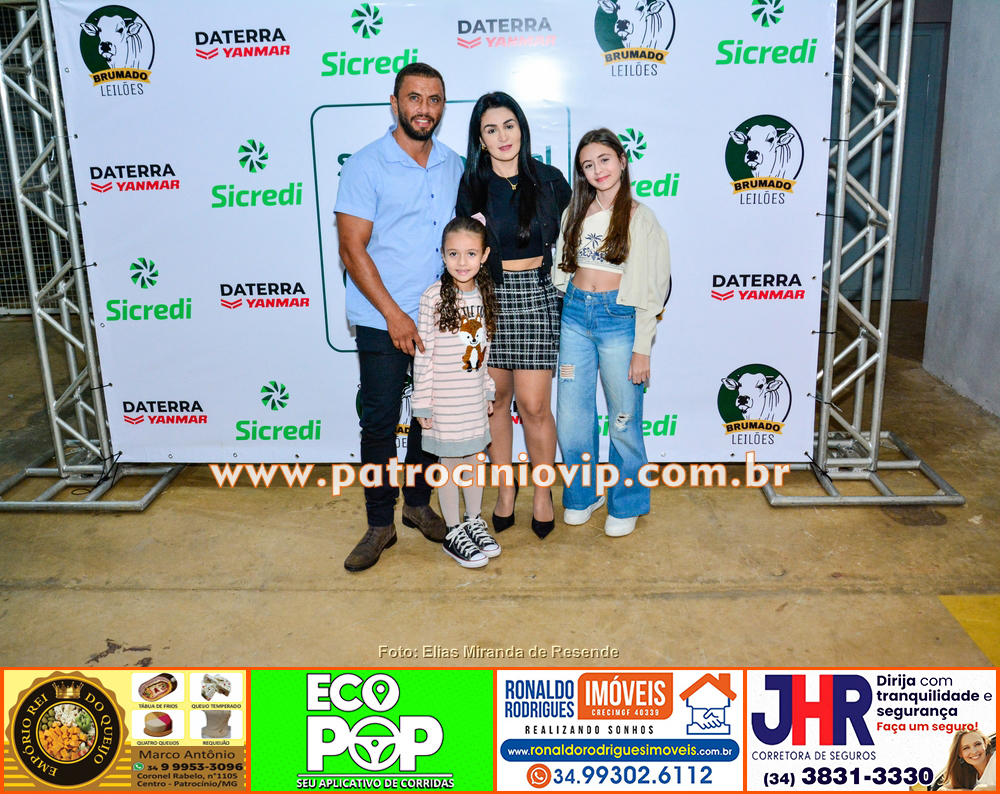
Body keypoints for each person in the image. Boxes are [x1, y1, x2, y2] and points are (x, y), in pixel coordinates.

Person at [335, 63, 464, 572]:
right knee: (380, 424)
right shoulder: (366, 165)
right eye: (414, 97)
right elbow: (352, 248)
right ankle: (378, 524)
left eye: (434, 99)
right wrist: (393, 315)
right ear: (395, 103)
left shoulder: (454, 164)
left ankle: (416, 505)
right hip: (380, 317)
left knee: (431, 419)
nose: (424, 109)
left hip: (439, 318)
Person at [456, 92, 571, 539]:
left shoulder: (550, 180)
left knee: (535, 405)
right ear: (480, 140)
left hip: (538, 297)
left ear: (522, 128)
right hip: (489, 299)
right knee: (495, 403)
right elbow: (463, 249)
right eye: (491, 129)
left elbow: (581, 232)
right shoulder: (473, 185)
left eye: (509, 125)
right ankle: (506, 489)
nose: (502, 136)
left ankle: (543, 492)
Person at [552, 128, 671, 538]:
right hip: (574, 317)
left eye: (604, 159)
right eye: (588, 165)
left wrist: (642, 347)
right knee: (572, 417)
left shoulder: (640, 216)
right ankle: (582, 495)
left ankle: (628, 502)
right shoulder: (574, 213)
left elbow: (654, 287)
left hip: (619, 320)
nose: (598, 170)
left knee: (623, 418)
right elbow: (562, 268)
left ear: (622, 160)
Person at [412, 216, 502, 568]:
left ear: (484, 255)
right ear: (442, 255)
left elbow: (484, 351)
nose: (462, 262)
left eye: (470, 253)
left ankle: (473, 521)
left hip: (473, 400)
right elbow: (424, 356)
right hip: (444, 402)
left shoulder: (485, 293)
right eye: (453, 253)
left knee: (475, 460)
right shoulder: (432, 297)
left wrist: (488, 389)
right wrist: (423, 404)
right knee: (449, 465)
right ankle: (452, 531)